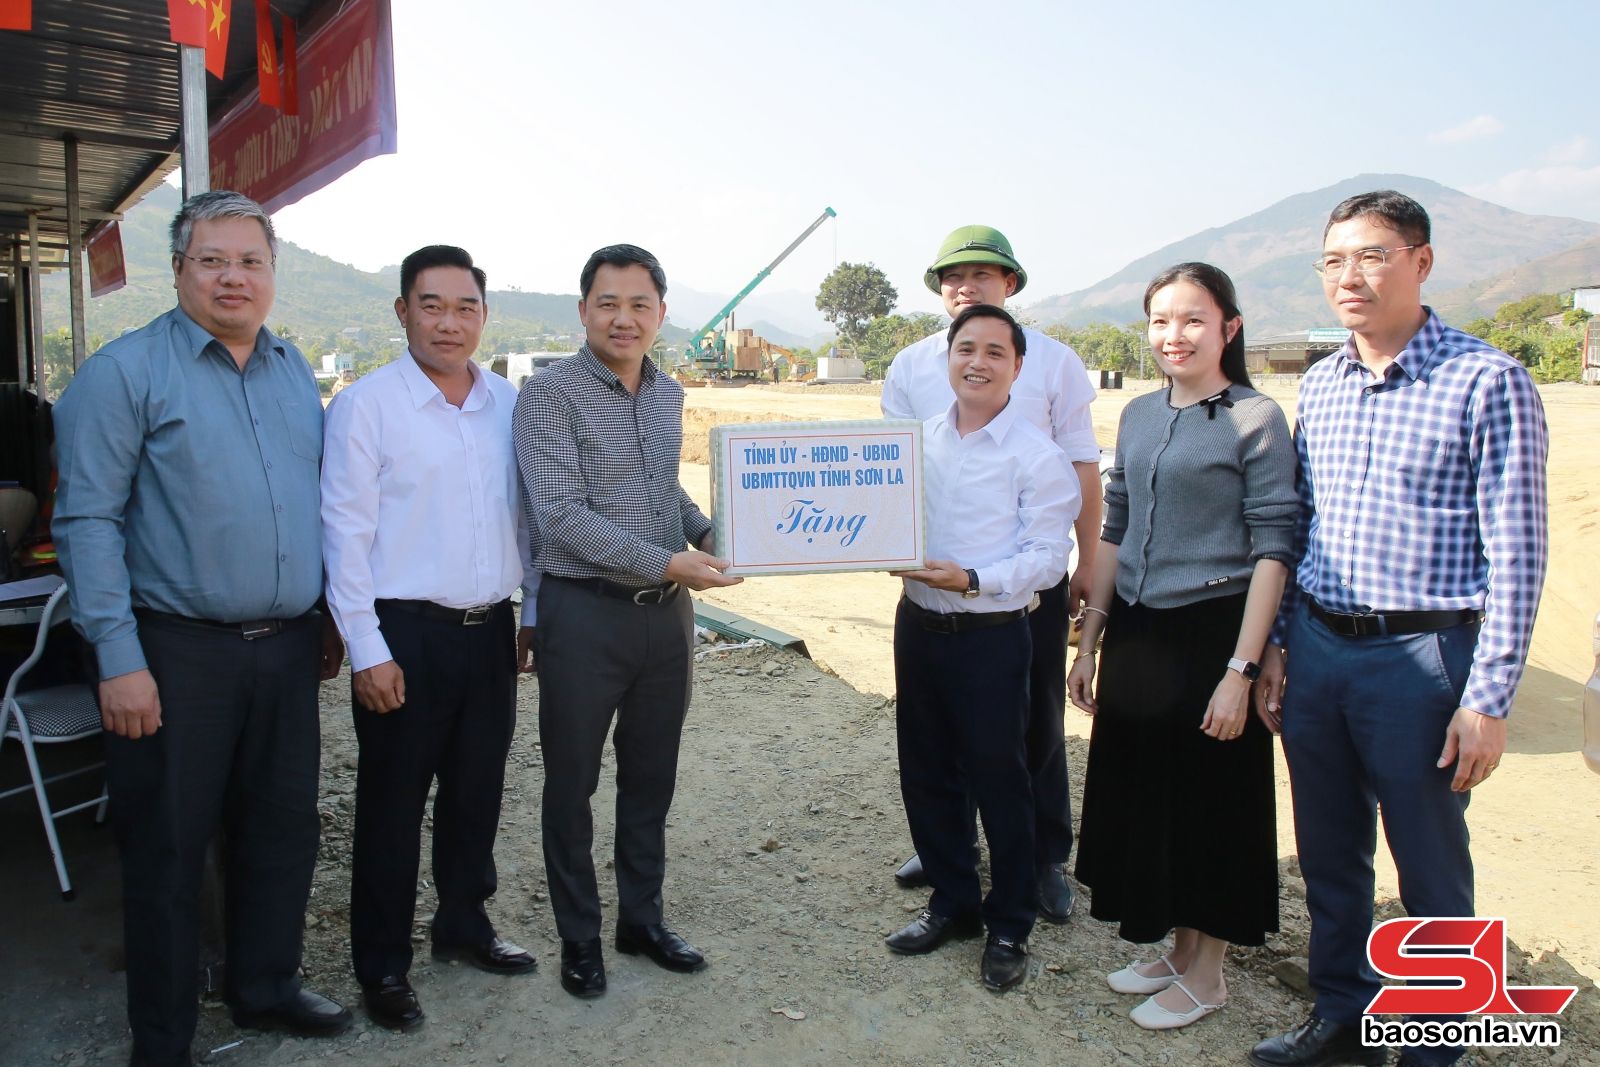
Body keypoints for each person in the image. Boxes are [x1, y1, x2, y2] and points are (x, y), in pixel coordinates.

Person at [1249, 191, 1549, 1067]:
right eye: (1334, 260)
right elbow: (1302, 524)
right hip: (1320, 650)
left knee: (1431, 867)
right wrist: (1281, 644)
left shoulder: (1486, 381)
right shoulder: (1322, 384)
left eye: (1372, 255)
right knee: (1328, 853)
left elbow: (1518, 554)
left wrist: (1487, 699)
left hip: (1424, 658)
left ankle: (1434, 1047)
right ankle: (1343, 1017)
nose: (1351, 276)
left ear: (1421, 261)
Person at [51, 190, 350, 1067]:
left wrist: (327, 613)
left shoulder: (293, 371)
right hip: (175, 652)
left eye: (250, 260)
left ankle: (266, 986)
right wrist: (118, 658)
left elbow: (315, 505)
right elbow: (86, 522)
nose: (232, 277)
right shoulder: (125, 373)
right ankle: (163, 1037)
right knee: (169, 848)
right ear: (179, 268)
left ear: (272, 271)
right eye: (211, 259)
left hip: (287, 646)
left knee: (282, 830)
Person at [1068, 263, 1296, 1030]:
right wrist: (1090, 637)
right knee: (1153, 795)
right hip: (1138, 627)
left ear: (1230, 327)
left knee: (1212, 802)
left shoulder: (1256, 418)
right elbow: (1116, 525)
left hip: (1214, 630)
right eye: (1161, 320)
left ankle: (1210, 974)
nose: (1175, 334)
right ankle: (1177, 946)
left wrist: (1241, 669)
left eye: (1193, 318)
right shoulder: (1137, 414)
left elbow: (1273, 548)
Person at [321, 245, 539, 1032]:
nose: (449, 322)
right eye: (432, 305)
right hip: (404, 633)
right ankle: (382, 964)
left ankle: (464, 924)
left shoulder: (507, 403)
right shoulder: (366, 406)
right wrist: (367, 648)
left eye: (465, 307)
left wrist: (532, 612)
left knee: (476, 792)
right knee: (392, 805)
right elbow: (344, 534)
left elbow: (527, 518)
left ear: (484, 314)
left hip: (490, 630)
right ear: (403, 311)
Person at [514, 244, 741, 999]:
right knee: (571, 783)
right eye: (608, 303)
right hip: (585, 614)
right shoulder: (549, 394)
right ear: (583, 310)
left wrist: (711, 533)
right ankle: (579, 936)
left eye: (640, 304)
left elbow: (661, 489)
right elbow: (560, 515)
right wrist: (670, 561)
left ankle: (641, 919)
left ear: (660, 314)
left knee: (650, 777)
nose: (624, 318)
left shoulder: (667, 392)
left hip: (664, 622)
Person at [880, 225, 1099, 921]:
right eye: (953, 276)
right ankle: (951, 860)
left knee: (1031, 728)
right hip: (930, 591)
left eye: (982, 274)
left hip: (1017, 588)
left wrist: (1088, 563)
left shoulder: (1054, 362)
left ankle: (1040, 861)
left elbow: (1081, 468)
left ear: (1010, 284)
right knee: (937, 737)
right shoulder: (911, 364)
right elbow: (886, 468)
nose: (966, 285)